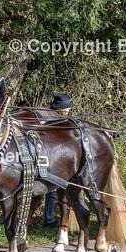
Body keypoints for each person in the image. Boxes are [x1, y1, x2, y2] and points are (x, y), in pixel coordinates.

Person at [43, 92, 74, 226]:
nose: (67, 111)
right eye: (64, 109)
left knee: (60, 191)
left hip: (65, 161)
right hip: (52, 160)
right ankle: (49, 218)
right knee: (52, 191)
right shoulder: (49, 122)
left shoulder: (69, 122)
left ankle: (56, 217)